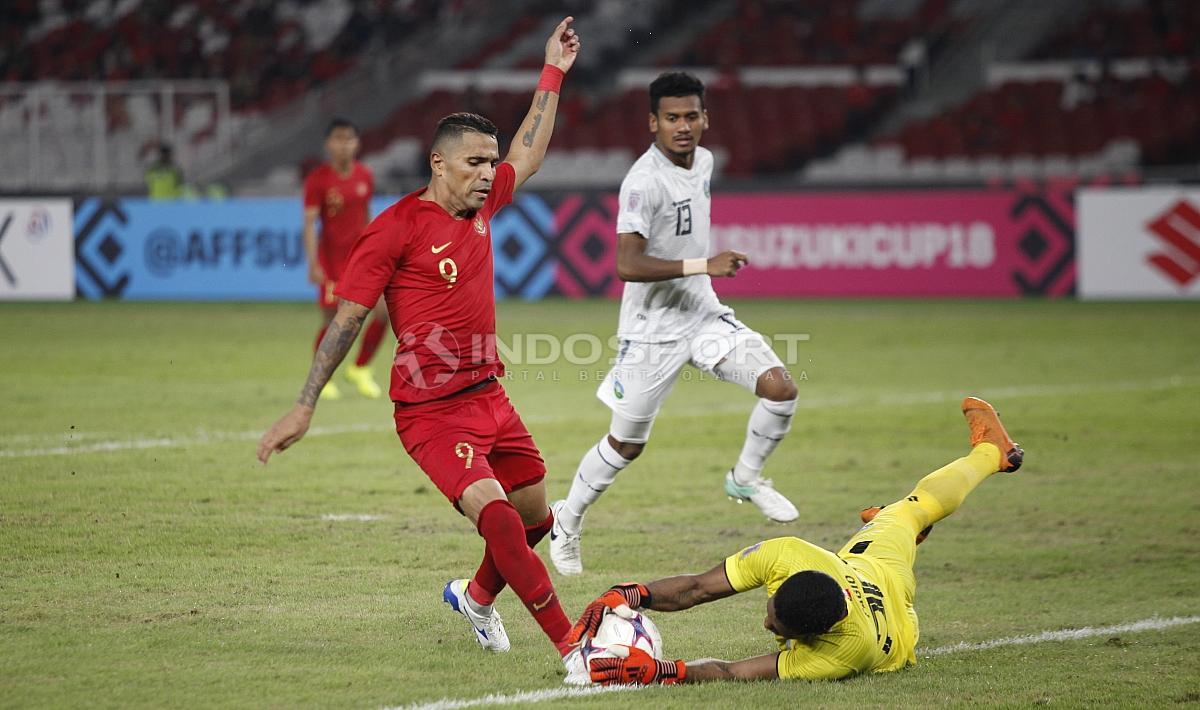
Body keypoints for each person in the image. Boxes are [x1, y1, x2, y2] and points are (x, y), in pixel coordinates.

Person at [258, 18, 587, 682]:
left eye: (490, 164)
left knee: (535, 518)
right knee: (496, 516)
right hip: (431, 412)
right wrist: (303, 406)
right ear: (439, 163)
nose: (488, 174)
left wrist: (552, 71)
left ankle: (475, 597)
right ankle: (574, 648)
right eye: (474, 162)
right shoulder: (395, 230)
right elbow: (346, 324)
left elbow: (530, 149)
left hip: (491, 396)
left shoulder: (484, 205)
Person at [569, 397, 1024, 685]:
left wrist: (664, 672)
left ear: (815, 636)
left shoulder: (844, 651)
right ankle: (989, 455)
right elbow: (696, 588)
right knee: (909, 509)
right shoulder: (787, 555)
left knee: (905, 517)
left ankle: (963, 473)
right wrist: (633, 593)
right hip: (871, 570)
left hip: (896, 631)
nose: (767, 626)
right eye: (773, 614)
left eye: (778, 630)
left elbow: (732, 673)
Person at [549, 71, 801, 576]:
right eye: (671, 118)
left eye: (690, 116)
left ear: (705, 119)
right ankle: (567, 520)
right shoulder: (643, 182)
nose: (682, 126)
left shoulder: (704, 161)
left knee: (780, 387)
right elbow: (626, 263)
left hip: (703, 316)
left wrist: (700, 277)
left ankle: (745, 477)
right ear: (652, 123)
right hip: (649, 331)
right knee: (627, 444)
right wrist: (701, 265)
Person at [302, 117, 386, 400]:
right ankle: (322, 376)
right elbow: (310, 224)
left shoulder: (365, 175)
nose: (344, 144)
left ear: (357, 143)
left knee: (385, 311)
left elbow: (366, 215)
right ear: (328, 144)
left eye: (349, 138)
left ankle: (361, 368)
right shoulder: (318, 180)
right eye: (338, 139)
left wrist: (378, 249)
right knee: (332, 322)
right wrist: (313, 263)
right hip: (331, 261)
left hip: (362, 259)